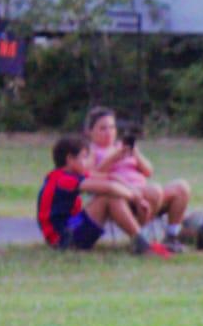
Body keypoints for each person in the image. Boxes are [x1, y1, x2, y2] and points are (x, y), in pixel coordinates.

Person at [36, 134, 168, 257]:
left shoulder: (73, 175)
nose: (88, 162)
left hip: (72, 224)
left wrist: (133, 190)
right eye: (84, 157)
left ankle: (141, 241)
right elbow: (109, 187)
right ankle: (142, 242)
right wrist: (137, 198)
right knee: (107, 197)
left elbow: (112, 177)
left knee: (110, 195)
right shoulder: (62, 179)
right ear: (70, 159)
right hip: (62, 235)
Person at [83, 106, 194, 248]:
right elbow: (91, 175)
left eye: (112, 128)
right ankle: (142, 237)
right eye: (103, 128)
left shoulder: (121, 146)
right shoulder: (92, 151)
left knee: (181, 187)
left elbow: (148, 171)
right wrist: (113, 158)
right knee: (154, 190)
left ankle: (172, 236)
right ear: (90, 132)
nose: (109, 133)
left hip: (146, 192)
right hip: (123, 196)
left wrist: (135, 153)